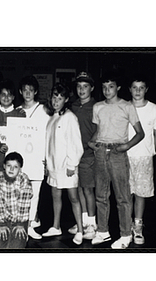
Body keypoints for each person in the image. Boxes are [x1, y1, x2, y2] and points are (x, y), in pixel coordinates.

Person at [88, 71, 145, 249]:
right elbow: (99, 130)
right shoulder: (97, 107)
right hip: (100, 153)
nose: (107, 90)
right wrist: (92, 142)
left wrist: (125, 146)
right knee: (101, 195)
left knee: (123, 197)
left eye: (111, 87)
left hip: (117, 152)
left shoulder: (127, 106)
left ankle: (126, 234)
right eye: (104, 87)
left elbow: (140, 133)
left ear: (118, 88)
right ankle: (103, 231)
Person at [42, 83, 84, 245]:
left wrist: (72, 165)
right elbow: (49, 143)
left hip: (67, 167)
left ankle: (80, 230)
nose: (56, 101)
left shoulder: (70, 117)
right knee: (55, 196)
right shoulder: (52, 118)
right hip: (53, 166)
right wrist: (47, 163)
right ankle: (56, 226)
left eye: (60, 98)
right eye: (54, 97)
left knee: (73, 198)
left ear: (66, 100)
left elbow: (76, 144)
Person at [127, 75, 156, 245]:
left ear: (146, 89)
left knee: (141, 193)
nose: (138, 91)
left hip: (143, 157)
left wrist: (151, 150)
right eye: (135, 87)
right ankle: (126, 226)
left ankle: (138, 225)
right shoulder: (124, 107)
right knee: (126, 193)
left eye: (141, 87)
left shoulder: (155, 109)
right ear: (130, 89)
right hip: (125, 156)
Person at [17, 75, 50, 240]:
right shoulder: (17, 111)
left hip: (38, 158)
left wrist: (47, 157)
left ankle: (30, 224)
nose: (28, 93)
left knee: (34, 193)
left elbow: (49, 134)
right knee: (20, 192)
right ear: (20, 92)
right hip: (21, 160)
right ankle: (20, 224)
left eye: (31, 90)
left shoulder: (44, 110)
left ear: (35, 91)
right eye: (25, 90)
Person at [70, 72, 97, 240]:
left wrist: (90, 145)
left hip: (88, 155)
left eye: (85, 86)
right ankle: (84, 220)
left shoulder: (96, 107)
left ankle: (93, 224)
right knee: (79, 187)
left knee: (88, 189)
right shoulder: (73, 106)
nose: (82, 90)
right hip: (74, 155)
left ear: (92, 88)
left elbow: (98, 131)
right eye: (79, 86)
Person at [0, 152, 33, 249]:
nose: (11, 169)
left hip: (20, 219)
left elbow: (24, 204)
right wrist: (1, 223)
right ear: (4, 166)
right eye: (9, 165)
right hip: (3, 218)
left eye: (15, 167)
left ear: (20, 169)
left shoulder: (24, 179)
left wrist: (20, 223)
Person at [0, 79, 26, 174]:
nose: (6, 97)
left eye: (9, 94)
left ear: (13, 97)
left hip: (16, 163)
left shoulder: (20, 115)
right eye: (3, 94)